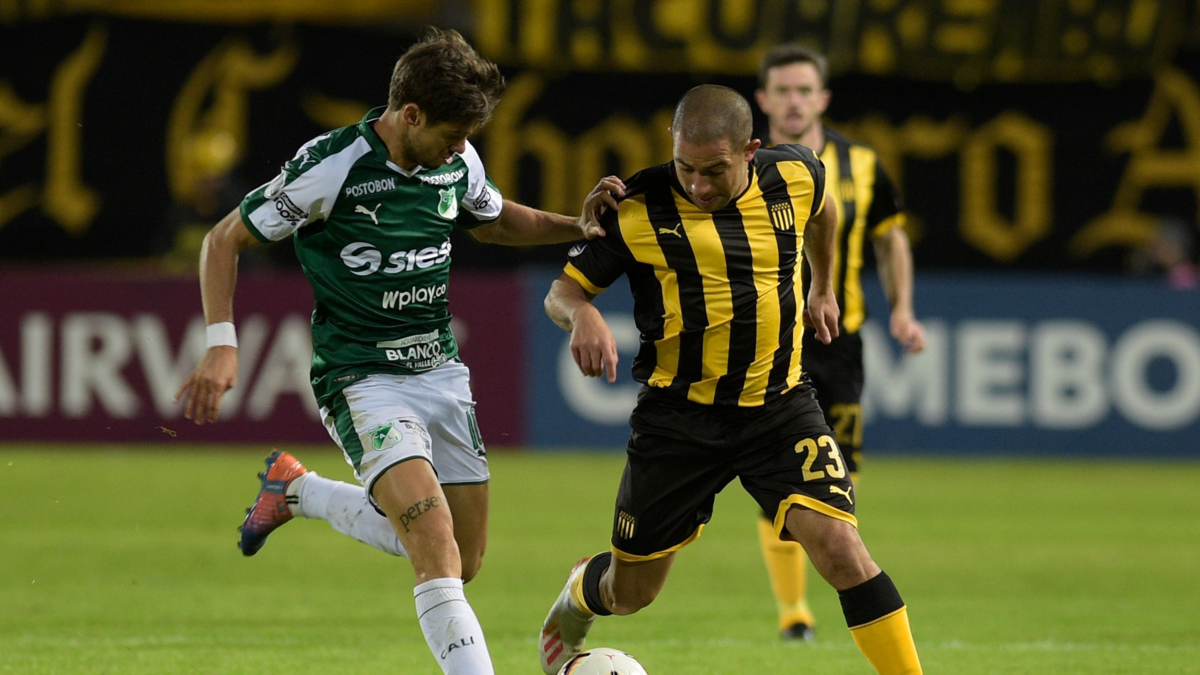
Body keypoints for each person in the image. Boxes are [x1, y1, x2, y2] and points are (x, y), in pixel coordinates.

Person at [173, 28, 623, 675]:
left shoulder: (456, 163)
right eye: (453, 134)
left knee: (464, 557)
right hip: (362, 379)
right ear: (410, 114)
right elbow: (223, 239)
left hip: (440, 371)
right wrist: (221, 343)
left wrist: (575, 226)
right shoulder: (332, 167)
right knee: (436, 546)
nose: (461, 148)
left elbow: (495, 219)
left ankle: (298, 492)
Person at [537, 85, 923, 675]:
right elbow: (561, 292)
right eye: (685, 168)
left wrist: (823, 286)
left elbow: (826, 210)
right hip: (677, 420)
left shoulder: (794, 174)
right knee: (631, 592)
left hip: (779, 408)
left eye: (714, 170)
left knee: (843, 551)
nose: (698, 185)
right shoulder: (635, 206)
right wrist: (582, 314)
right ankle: (580, 591)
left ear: (750, 151)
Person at [752, 43, 927, 640]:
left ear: (823, 98)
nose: (793, 101)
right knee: (778, 477)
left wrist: (902, 309)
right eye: (783, 90)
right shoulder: (741, 166)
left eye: (804, 90)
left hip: (841, 342)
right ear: (763, 99)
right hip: (772, 341)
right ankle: (793, 614)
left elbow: (890, 237)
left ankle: (828, 590)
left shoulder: (863, 165)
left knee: (839, 478)